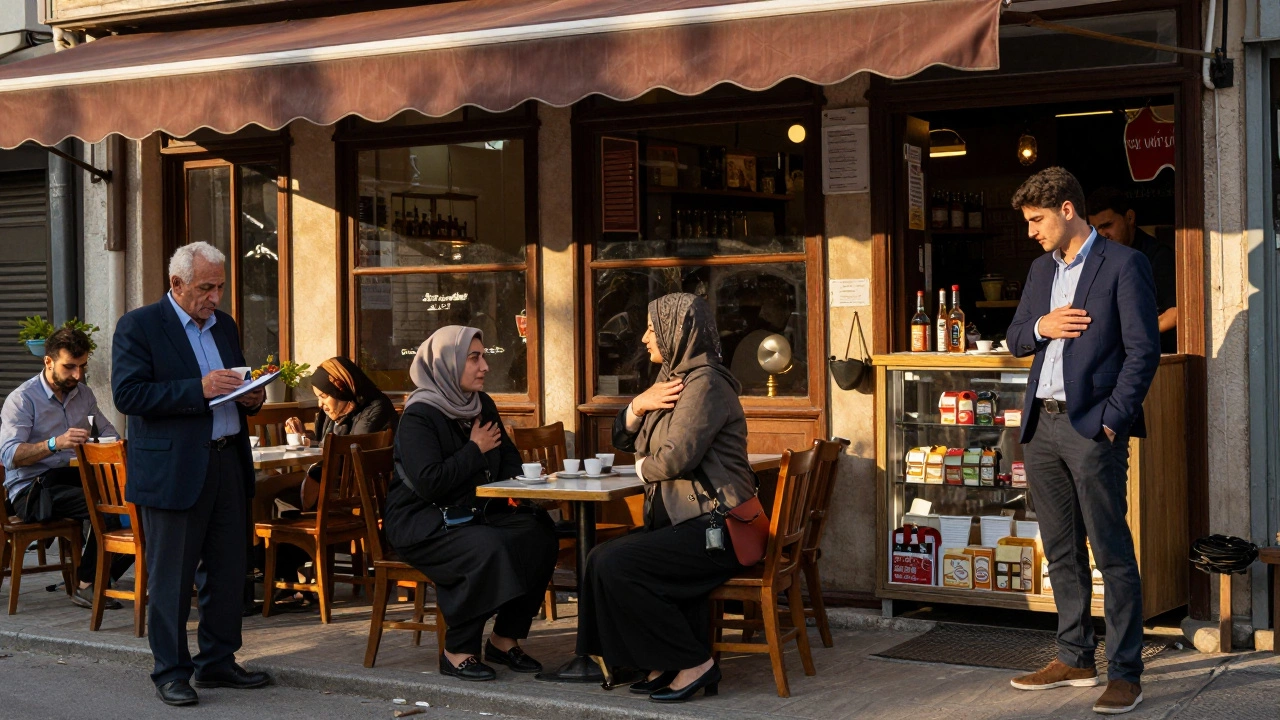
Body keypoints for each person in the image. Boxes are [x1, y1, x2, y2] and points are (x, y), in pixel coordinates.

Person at [1005, 168, 1160, 715]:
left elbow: (1143, 353)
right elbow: (1016, 336)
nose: (1031, 232)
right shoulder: (1038, 270)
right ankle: (1073, 656)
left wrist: (1112, 420)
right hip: (1041, 428)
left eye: (1037, 220)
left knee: (1111, 551)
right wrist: (1043, 325)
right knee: (1061, 551)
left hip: (1091, 426)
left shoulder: (1124, 263)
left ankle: (1125, 672)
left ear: (1067, 210)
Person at [112, 241, 271, 707]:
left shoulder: (224, 326)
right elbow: (128, 395)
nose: (215, 297)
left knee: (228, 569)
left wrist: (252, 397)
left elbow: (236, 386)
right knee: (172, 577)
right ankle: (170, 671)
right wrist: (198, 389)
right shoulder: (139, 326)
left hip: (226, 459)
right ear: (176, 284)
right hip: (173, 469)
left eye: (220, 287)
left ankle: (218, 662)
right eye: (206, 287)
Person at [576, 293, 756, 704]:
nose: (643, 338)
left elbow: (676, 457)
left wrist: (639, 469)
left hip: (719, 528)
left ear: (679, 333)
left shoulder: (706, 383)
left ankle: (694, 663)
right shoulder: (674, 379)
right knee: (601, 559)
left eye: (653, 329)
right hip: (687, 523)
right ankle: (655, 660)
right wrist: (637, 405)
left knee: (616, 563)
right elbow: (624, 438)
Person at [383, 326, 557, 682]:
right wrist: (474, 450)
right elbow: (430, 482)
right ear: (447, 364)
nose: (484, 366)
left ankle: (503, 639)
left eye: (483, 356)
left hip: (471, 513)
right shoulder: (420, 415)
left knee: (539, 531)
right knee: (486, 546)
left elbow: (508, 460)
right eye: (473, 358)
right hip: (422, 521)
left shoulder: (481, 405)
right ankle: (457, 650)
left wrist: (518, 486)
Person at [0, 327, 133, 609]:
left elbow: (108, 433)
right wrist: (54, 443)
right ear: (48, 362)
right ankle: (87, 584)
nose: (77, 375)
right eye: (69, 367)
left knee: (140, 499)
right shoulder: (22, 399)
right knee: (103, 506)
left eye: (82, 366)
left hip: (72, 477)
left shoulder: (83, 394)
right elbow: (10, 454)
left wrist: (117, 444)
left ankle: (100, 574)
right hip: (32, 489)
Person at [262, 356, 399, 608]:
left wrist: (327, 438)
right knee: (268, 491)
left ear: (341, 388)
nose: (321, 403)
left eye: (324, 396)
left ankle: (283, 574)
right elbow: (326, 445)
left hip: (363, 496)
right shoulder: (335, 410)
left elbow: (350, 453)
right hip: (332, 487)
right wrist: (304, 437)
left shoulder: (376, 408)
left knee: (281, 500)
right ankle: (288, 577)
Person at [1086, 187, 1178, 353]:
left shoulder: (1158, 256)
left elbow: (1175, 313)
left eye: (1107, 225)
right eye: (1094, 229)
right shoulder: (1095, 260)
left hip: (1156, 359)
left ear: (1129, 217)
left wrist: (1131, 336)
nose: (1101, 234)